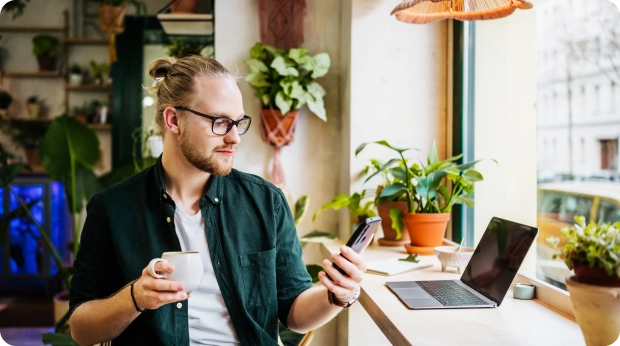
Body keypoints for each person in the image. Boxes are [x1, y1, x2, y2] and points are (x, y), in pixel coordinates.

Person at [68, 55, 369, 346]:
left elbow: (294, 313)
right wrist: (135, 297)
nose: (235, 137)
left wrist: (338, 294)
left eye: (238, 123)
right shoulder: (112, 208)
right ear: (173, 120)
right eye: (220, 122)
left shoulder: (266, 202)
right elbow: (81, 329)